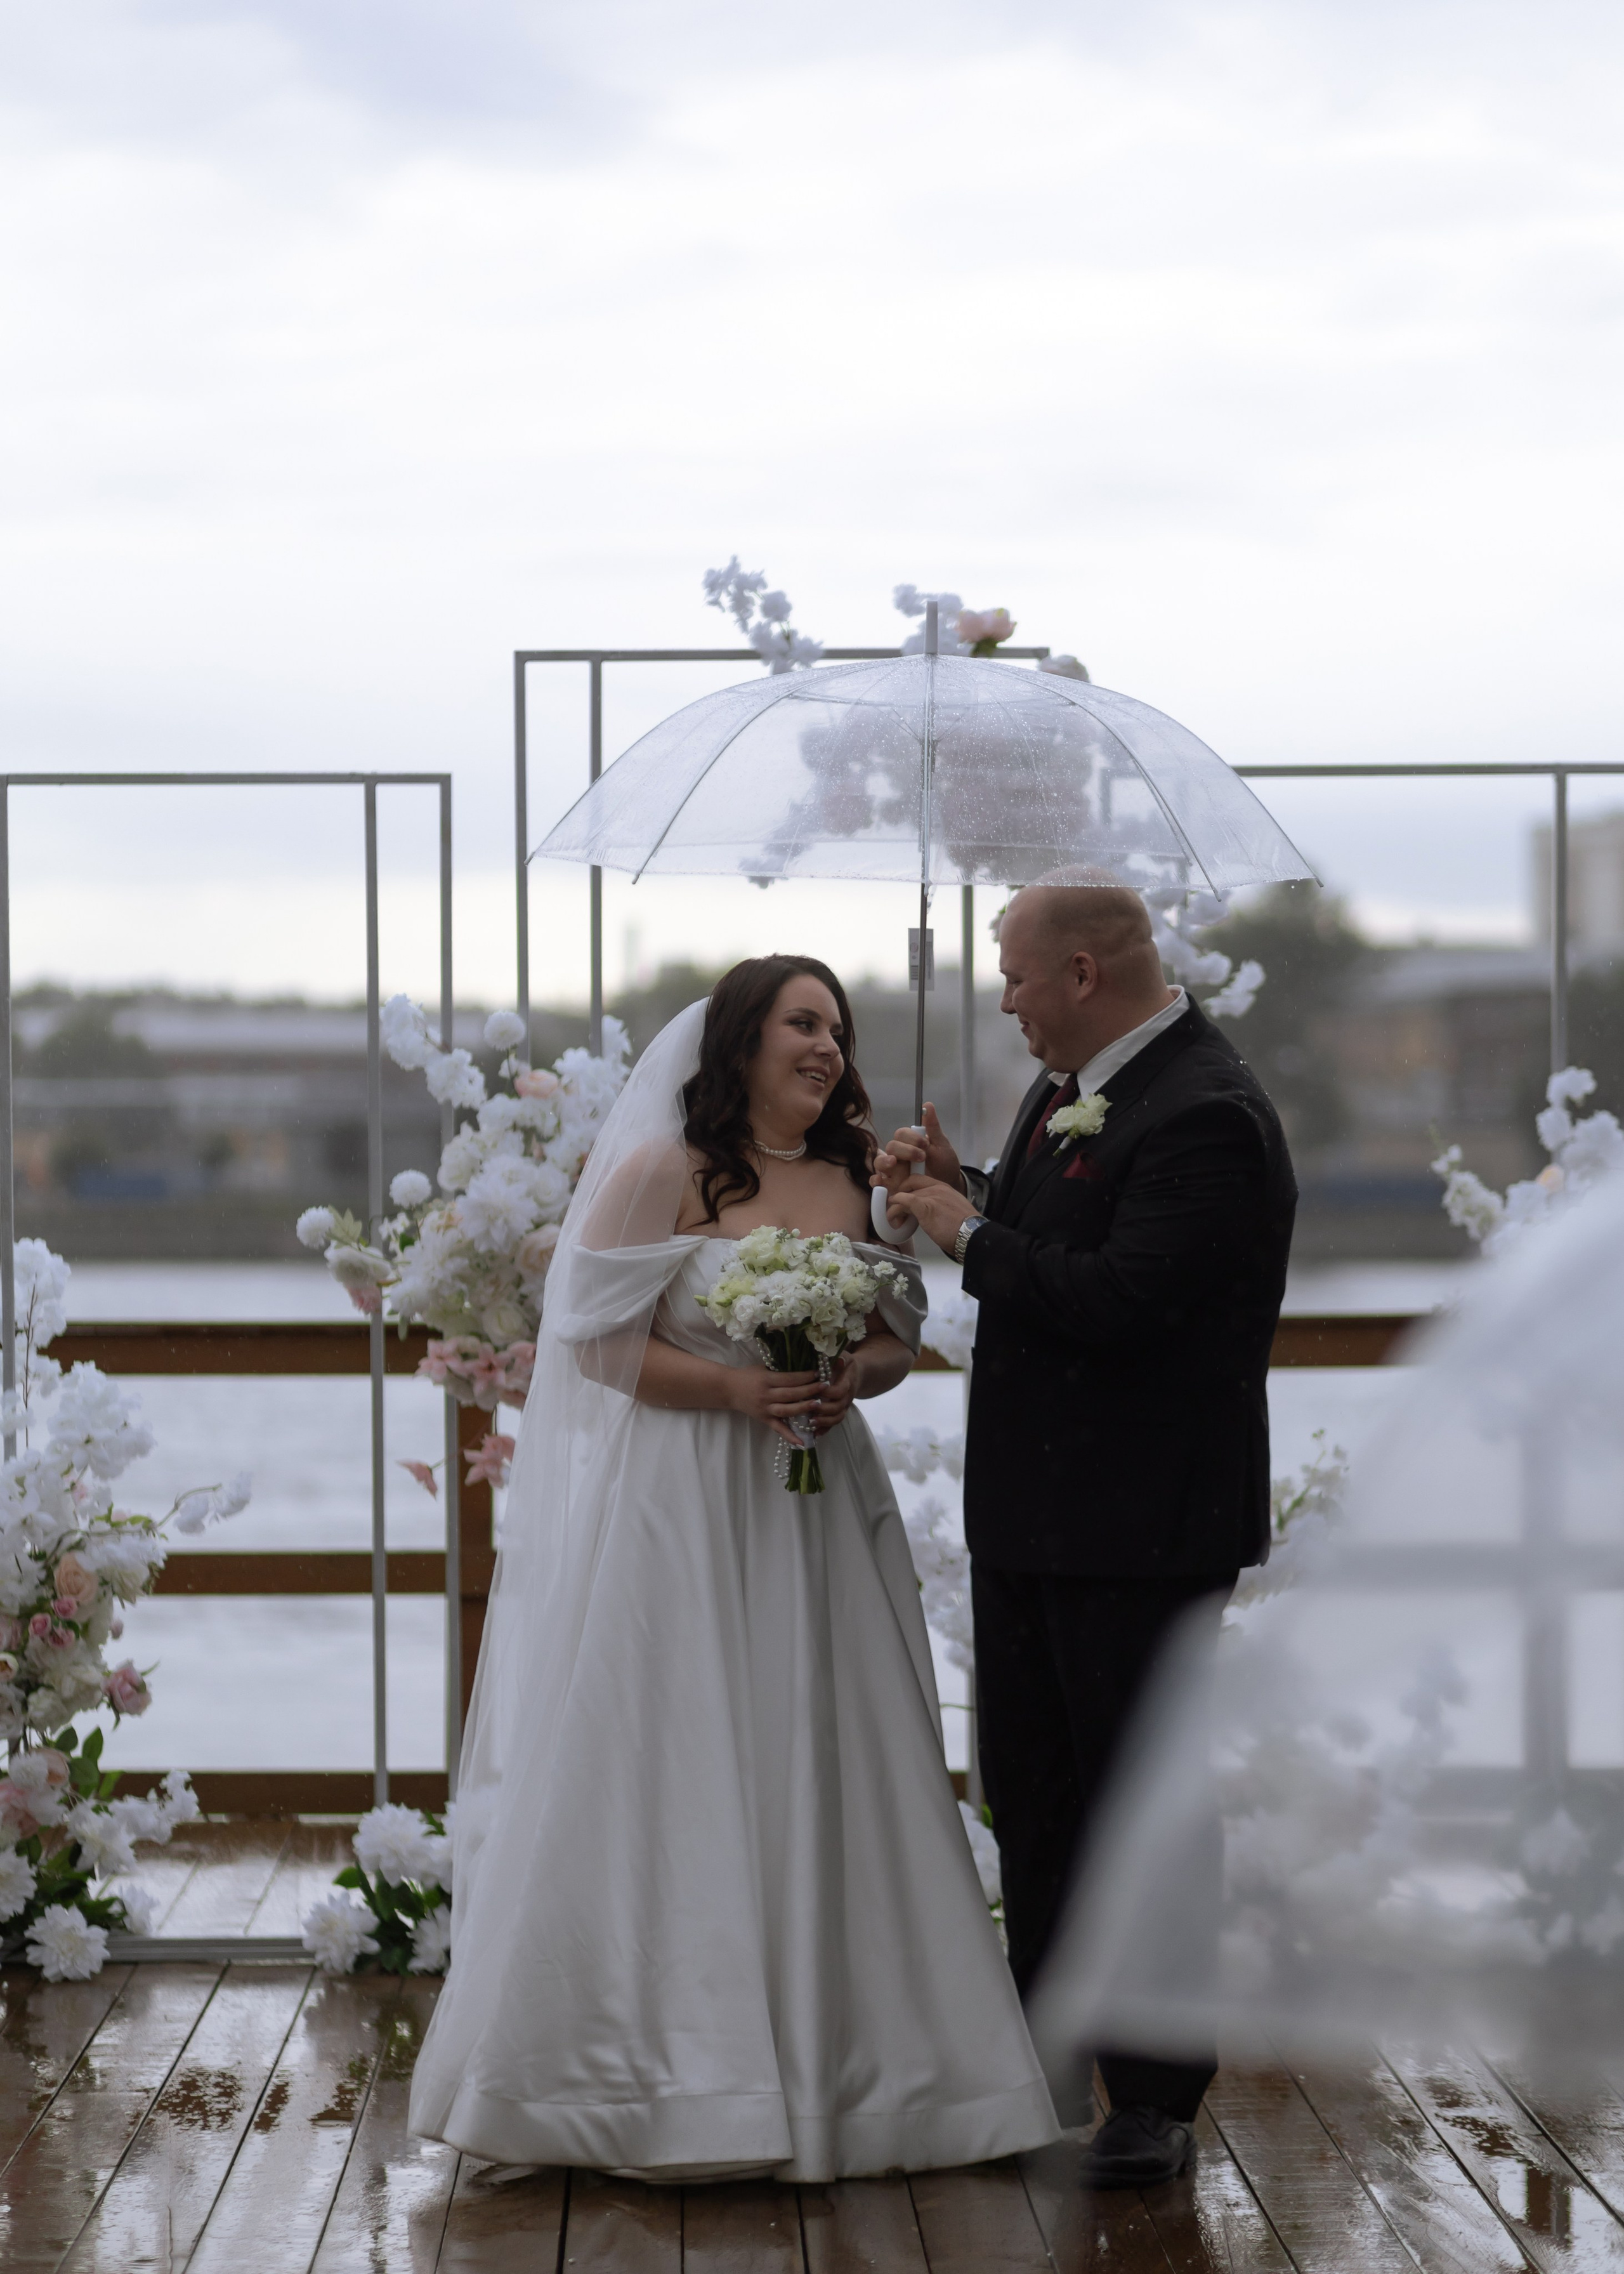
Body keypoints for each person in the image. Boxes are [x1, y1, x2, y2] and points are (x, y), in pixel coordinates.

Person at [409, 954, 1058, 2183]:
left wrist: (842, 1377)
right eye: (799, 1023)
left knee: (831, 1743)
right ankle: (636, 2075)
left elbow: (891, 1345)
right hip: (685, 1501)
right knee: (676, 1744)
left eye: (836, 1026)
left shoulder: (862, 1176)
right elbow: (592, 1349)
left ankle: (876, 2077)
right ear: (740, 1043)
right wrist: (732, 1385)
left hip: (819, 1507)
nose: (824, 1044)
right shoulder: (667, 1171)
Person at [873, 884, 1295, 2189]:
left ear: (1073, 969)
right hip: (1035, 1514)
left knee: (1139, 1811)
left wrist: (963, 1232)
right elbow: (1075, 1222)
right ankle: (1045, 2061)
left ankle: (1155, 2101)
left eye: (1010, 976)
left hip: (1138, 1528)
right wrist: (972, 1185)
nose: (1000, 999)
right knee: (1038, 1797)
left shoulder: (1207, 1112)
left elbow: (1122, 1299)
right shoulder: (1081, 1082)